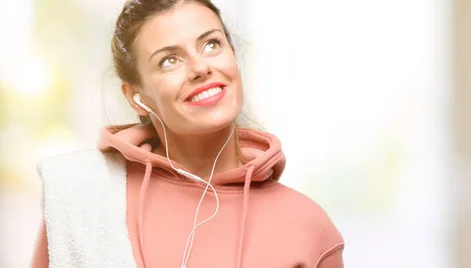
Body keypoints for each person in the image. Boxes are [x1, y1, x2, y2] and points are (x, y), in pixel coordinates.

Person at [29, 0, 344, 267]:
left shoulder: (307, 227)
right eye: (169, 61)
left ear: (233, 55)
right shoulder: (82, 195)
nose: (200, 67)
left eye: (211, 44)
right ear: (136, 96)